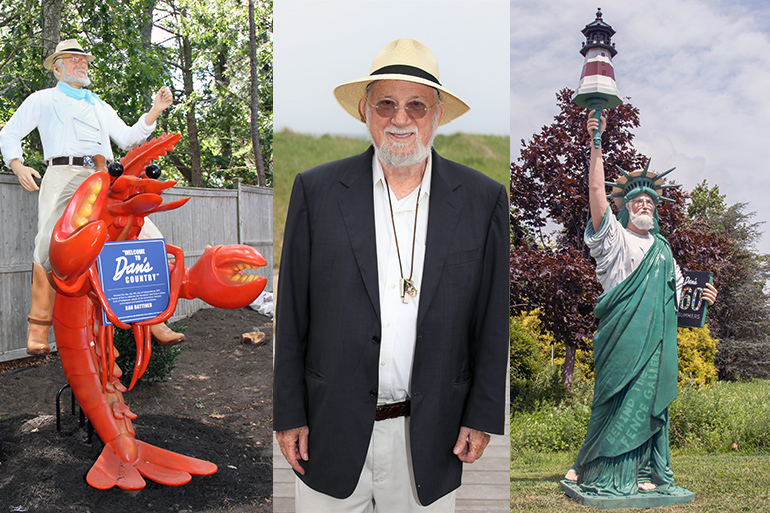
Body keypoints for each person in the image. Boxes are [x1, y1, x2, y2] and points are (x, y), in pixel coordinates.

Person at [273, 38, 508, 512]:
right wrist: (288, 413)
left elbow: (491, 319)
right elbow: (292, 312)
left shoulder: (483, 201)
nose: (400, 119)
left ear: (438, 114)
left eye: (416, 105)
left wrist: (481, 416)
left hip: (434, 434)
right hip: (329, 429)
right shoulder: (315, 192)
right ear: (365, 110)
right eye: (386, 104)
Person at [563, 111, 718, 495]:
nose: (645, 204)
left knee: (649, 406)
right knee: (610, 402)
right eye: (638, 201)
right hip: (621, 340)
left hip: (655, 348)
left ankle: (643, 473)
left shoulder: (664, 251)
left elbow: (681, 297)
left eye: (650, 201)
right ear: (626, 208)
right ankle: (594, 467)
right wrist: (597, 144)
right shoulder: (614, 240)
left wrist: (705, 299)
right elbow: (597, 196)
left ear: (656, 209)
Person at [0, 39, 183, 354]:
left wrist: (156, 110)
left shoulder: (98, 103)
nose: (81, 64)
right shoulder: (42, 100)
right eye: (73, 59)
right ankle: (39, 328)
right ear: (57, 68)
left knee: (147, 235)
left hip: (104, 176)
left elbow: (126, 138)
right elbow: (9, 133)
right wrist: (17, 165)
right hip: (63, 175)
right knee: (47, 239)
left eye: (83, 59)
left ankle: (153, 318)